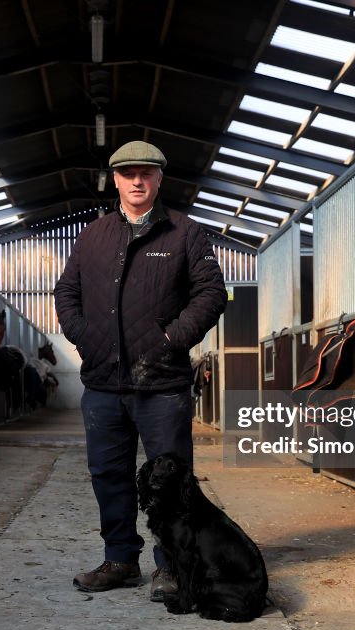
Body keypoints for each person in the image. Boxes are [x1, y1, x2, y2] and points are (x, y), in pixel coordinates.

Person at [53, 140, 227, 602]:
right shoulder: (93, 236)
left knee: (171, 477)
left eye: (145, 173)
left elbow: (212, 294)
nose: (137, 181)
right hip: (103, 383)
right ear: (116, 179)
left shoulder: (185, 233)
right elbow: (66, 291)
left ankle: (170, 567)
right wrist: (83, 336)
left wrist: (170, 341)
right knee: (107, 473)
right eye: (128, 173)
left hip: (162, 385)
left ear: (159, 179)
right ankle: (120, 560)